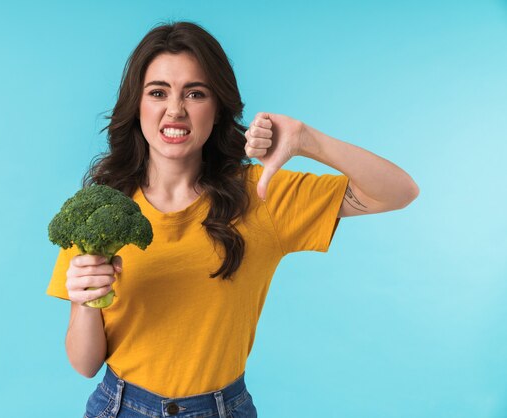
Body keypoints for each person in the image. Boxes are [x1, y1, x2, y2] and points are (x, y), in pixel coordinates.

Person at [46, 21, 419, 418]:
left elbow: (399, 191)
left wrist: (307, 139)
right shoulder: (101, 210)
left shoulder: (263, 195)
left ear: (218, 107)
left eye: (195, 93)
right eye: (158, 92)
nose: (175, 109)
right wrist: (85, 301)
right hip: (119, 406)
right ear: (137, 105)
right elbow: (85, 364)